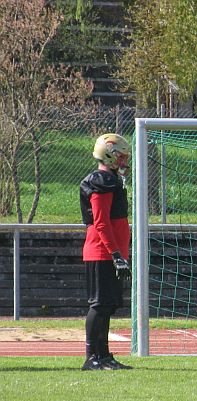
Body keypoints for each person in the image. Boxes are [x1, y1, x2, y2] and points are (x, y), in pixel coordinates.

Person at [79, 133, 133, 371]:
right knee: (99, 304)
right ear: (109, 154)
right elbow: (101, 223)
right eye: (121, 156)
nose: (124, 161)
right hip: (102, 252)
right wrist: (115, 254)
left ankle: (104, 355)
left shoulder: (111, 179)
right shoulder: (101, 181)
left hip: (111, 253)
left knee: (108, 306)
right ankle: (92, 357)